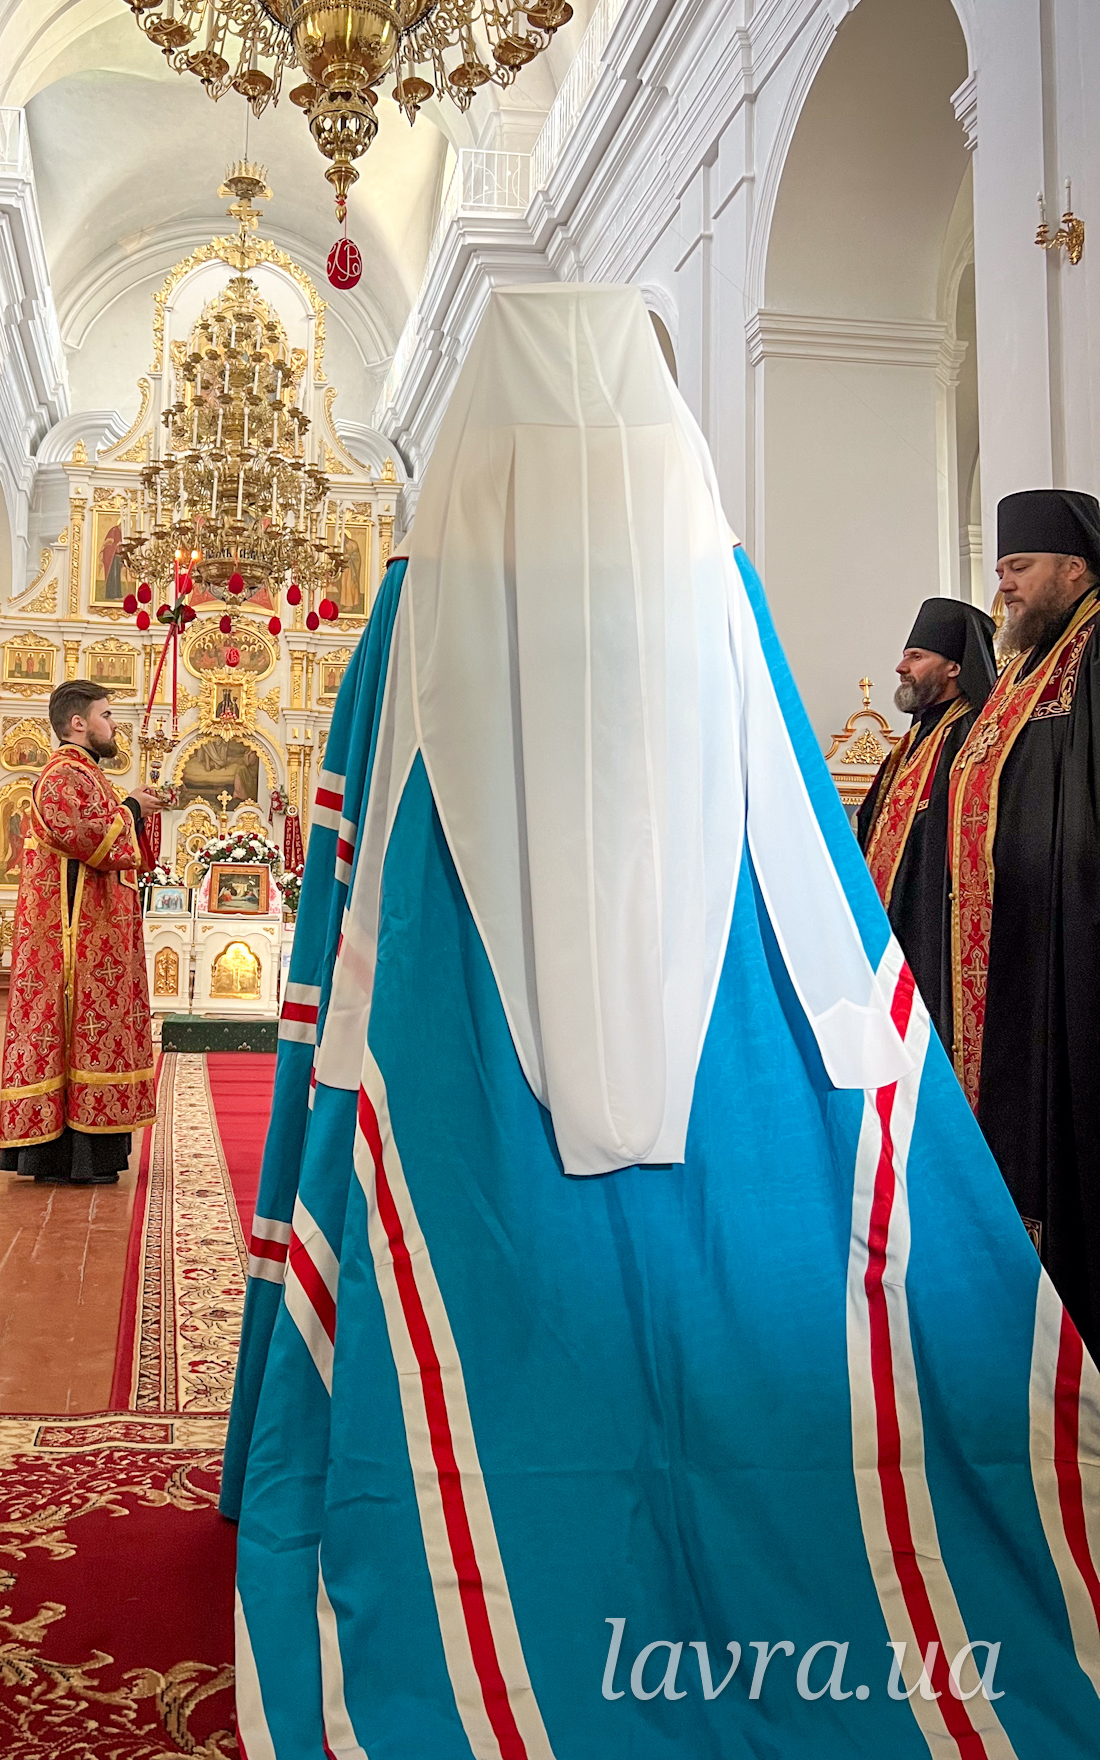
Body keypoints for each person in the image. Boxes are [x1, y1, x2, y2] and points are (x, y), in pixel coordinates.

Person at [230, 289, 1100, 1756]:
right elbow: (799, 836)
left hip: (460, 1050)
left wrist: (344, 1036)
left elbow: (352, 859)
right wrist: (858, 1031)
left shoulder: (419, 595)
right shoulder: (718, 583)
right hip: (725, 1039)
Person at [948, 487, 1100, 1347]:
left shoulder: (1093, 649)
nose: (1002, 582)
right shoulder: (1023, 670)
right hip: (1012, 947)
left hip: (1073, 937)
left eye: (1020, 566)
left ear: (1074, 568)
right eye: (1001, 565)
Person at [0, 680, 161, 1185]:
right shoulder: (62, 775)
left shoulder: (87, 774)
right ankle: (67, 1155)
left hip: (95, 934)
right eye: (105, 715)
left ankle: (91, 1152)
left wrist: (129, 807)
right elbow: (94, 839)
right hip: (72, 940)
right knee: (75, 1029)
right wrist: (132, 808)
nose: (113, 724)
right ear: (77, 723)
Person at [854, 596, 995, 1045]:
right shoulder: (912, 740)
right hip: (894, 928)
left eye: (915, 656)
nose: (901, 667)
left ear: (954, 666)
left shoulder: (974, 739)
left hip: (938, 933)